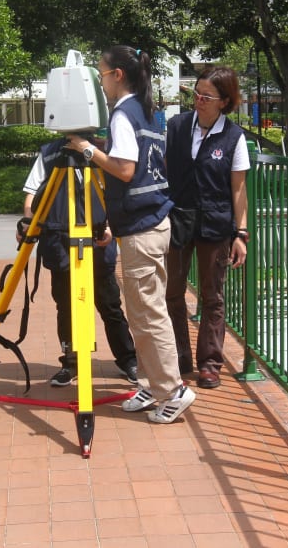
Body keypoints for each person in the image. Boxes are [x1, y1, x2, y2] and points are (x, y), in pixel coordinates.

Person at [65, 45, 196, 424]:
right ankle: (155, 385)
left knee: (148, 314)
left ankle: (173, 390)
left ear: (117, 75)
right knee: (143, 312)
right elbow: (136, 161)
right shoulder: (147, 110)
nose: (101, 83)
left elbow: (124, 170)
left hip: (142, 227)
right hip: (152, 222)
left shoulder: (123, 112)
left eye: (103, 75)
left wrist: (88, 150)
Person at [19, 137, 138, 387]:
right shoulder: (51, 152)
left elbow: (115, 192)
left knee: (109, 305)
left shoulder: (103, 150)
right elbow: (32, 191)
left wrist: (109, 225)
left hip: (97, 240)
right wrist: (29, 221)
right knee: (65, 306)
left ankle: (128, 360)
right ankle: (71, 363)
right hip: (59, 240)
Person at [164, 65, 250, 389]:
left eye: (206, 96)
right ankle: (180, 355)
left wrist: (240, 234)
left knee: (212, 296)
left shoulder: (234, 137)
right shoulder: (176, 127)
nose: (198, 101)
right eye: (195, 94)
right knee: (173, 291)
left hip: (215, 224)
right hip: (177, 220)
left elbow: (239, 189)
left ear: (224, 102)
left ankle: (210, 363)